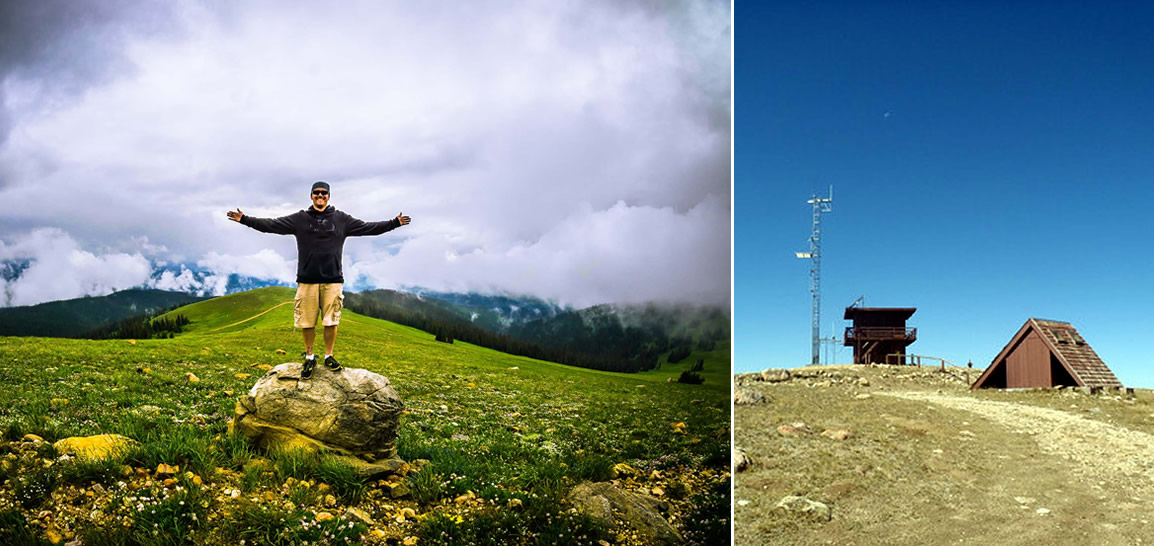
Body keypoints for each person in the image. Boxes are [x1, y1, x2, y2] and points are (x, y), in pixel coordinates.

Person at [226, 181, 411, 378]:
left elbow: (369, 228)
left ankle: (328, 356)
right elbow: (271, 225)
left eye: (324, 193)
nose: (320, 196)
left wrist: (394, 223)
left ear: (329, 196)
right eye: (317, 193)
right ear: (311, 195)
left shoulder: (342, 219)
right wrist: (244, 219)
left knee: (331, 321)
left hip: (333, 279)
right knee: (307, 322)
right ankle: (309, 357)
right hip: (307, 280)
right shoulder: (299, 219)